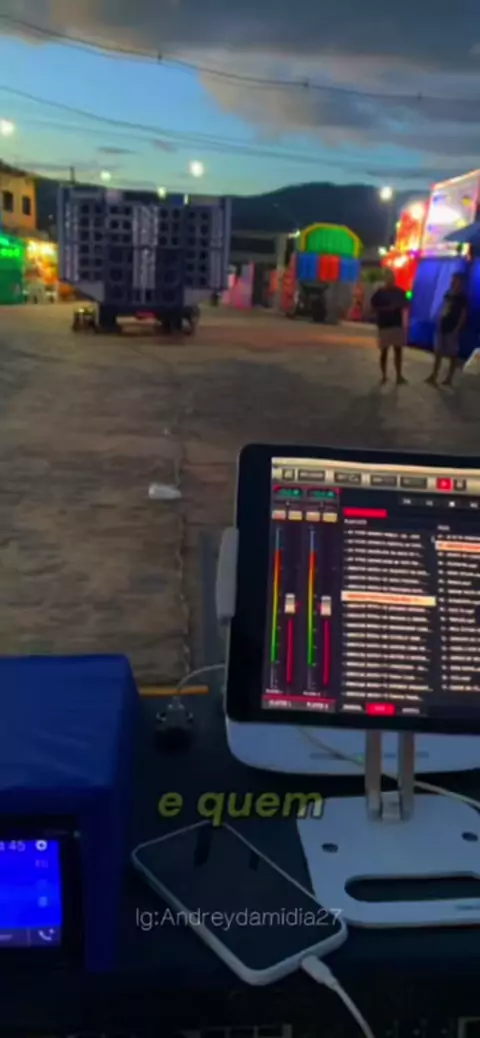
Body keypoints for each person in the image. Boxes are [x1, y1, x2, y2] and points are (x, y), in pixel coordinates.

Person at [426, 273, 468, 387]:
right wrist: (439, 319)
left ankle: (449, 378)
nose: (452, 282)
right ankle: (434, 375)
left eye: (455, 280)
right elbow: (444, 307)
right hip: (442, 326)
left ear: (460, 282)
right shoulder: (448, 293)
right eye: (452, 280)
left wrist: (457, 328)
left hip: (452, 328)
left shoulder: (462, 297)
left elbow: (463, 314)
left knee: (452, 354)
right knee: (438, 352)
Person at [371, 270, 408, 385]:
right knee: (384, 351)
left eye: (391, 278)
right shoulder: (380, 293)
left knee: (398, 351)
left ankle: (399, 375)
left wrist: (398, 306)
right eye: (388, 278)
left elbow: (406, 304)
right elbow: (373, 307)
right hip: (384, 325)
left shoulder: (400, 292)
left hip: (396, 324)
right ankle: (384, 375)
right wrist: (387, 309)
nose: (390, 280)